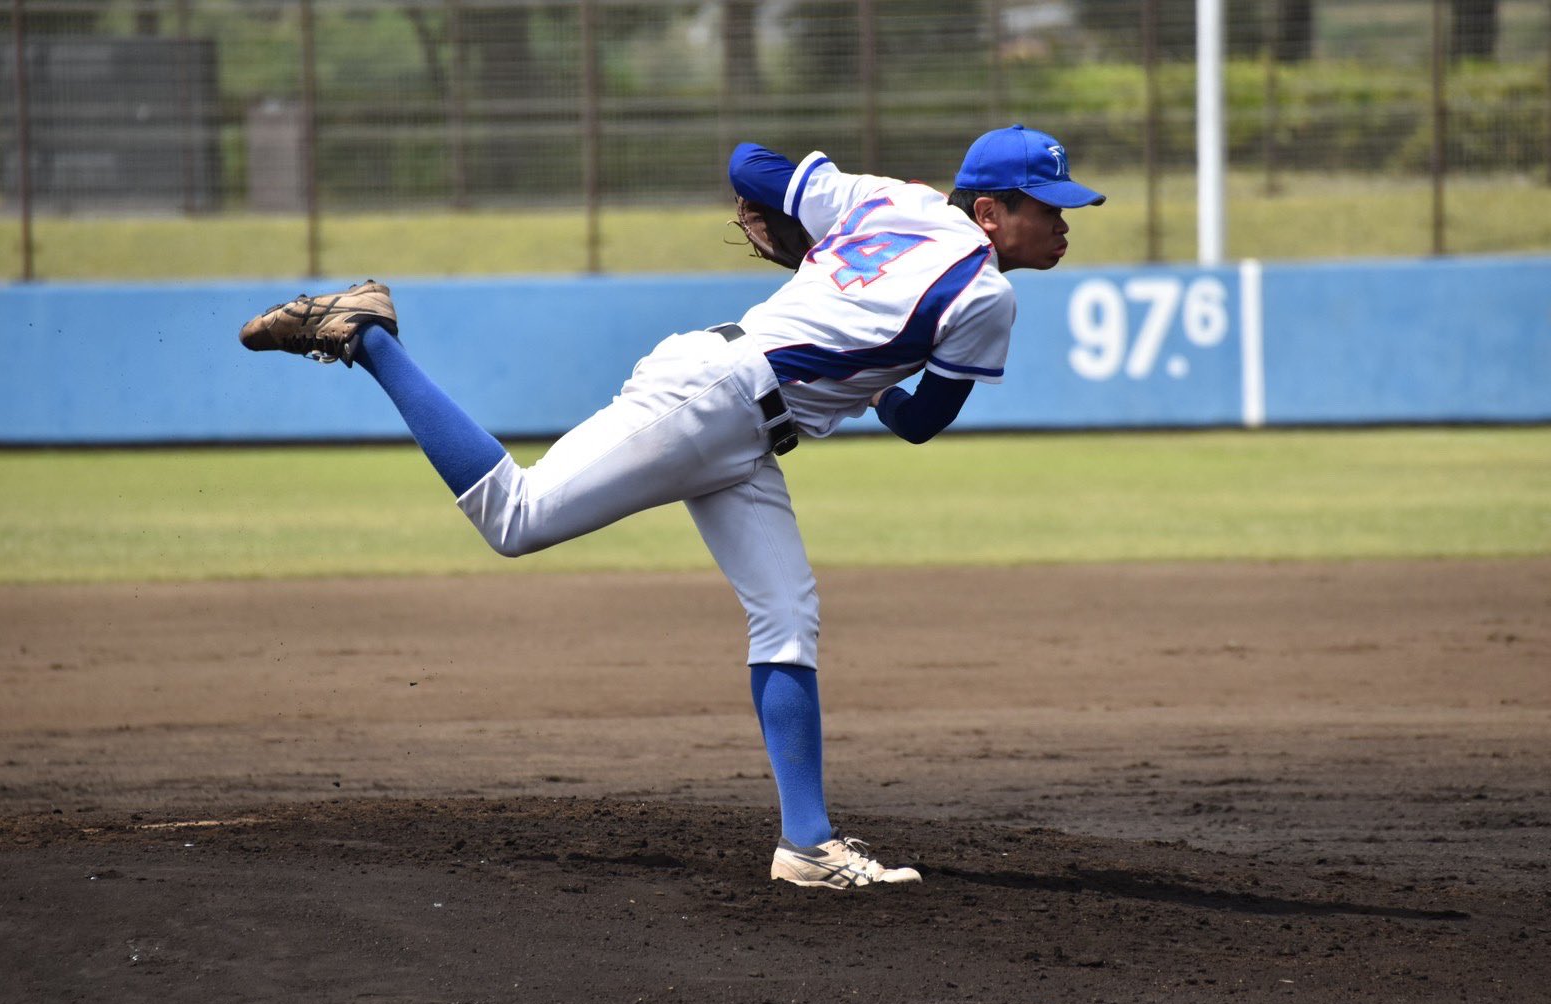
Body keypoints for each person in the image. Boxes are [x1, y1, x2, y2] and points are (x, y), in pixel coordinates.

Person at [239, 124, 1104, 889]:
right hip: (717, 404)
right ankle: (367, 333)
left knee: (788, 615)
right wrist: (873, 377)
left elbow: (749, 163)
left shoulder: (891, 202)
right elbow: (919, 421)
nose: (1065, 225)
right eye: (1049, 208)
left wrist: (820, 257)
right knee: (517, 517)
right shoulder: (988, 296)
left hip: (741, 422)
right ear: (990, 213)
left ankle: (807, 846)